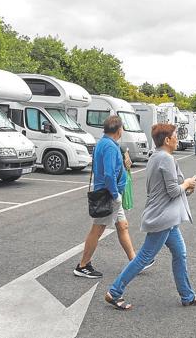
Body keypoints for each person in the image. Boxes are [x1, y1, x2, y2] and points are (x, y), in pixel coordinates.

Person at [104, 123, 196, 310]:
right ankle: (115, 291)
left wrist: (187, 187)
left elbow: (167, 191)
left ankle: (187, 295)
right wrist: (187, 183)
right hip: (162, 218)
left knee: (180, 253)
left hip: (167, 218)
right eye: (176, 135)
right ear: (167, 140)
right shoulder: (166, 159)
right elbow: (174, 190)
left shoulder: (155, 157)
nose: (178, 138)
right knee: (144, 257)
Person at [74, 115, 138, 279]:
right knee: (98, 229)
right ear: (119, 130)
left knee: (122, 225)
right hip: (109, 194)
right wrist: (115, 194)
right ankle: (83, 265)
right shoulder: (110, 146)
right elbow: (109, 174)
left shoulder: (103, 142)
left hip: (109, 193)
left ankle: (135, 262)